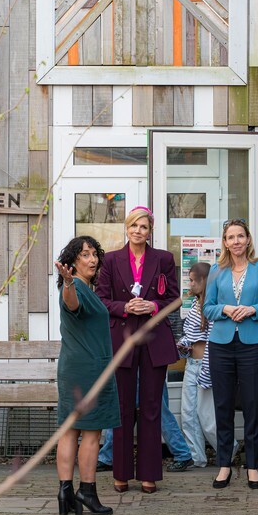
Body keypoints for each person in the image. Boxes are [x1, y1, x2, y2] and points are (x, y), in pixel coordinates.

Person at [95, 206, 180, 494]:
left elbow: (173, 298)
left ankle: (149, 474)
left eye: (143, 227)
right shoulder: (110, 260)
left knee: (152, 408)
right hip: (123, 340)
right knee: (121, 409)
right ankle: (121, 473)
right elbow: (101, 300)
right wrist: (125, 307)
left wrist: (153, 306)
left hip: (155, 339)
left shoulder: (164, 259)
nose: (138, 231)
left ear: (150, 231)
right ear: (126, 228)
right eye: (134, 226)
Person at [203, 219, 258, 489]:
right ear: (224, 242)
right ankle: (224, 464)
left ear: (248, 239)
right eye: (230, 237)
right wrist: (224, 309)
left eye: (240, 236)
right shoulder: (215, 271)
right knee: (222, 405)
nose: (235, 241)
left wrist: (253, 310)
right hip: (221, 344)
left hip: (252, 343)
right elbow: (207, 309)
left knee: (253, 405)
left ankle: (253, 466)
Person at [54, 236, 119, 515]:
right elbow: (71, 303)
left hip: (72, 369)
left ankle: (65, 492)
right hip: (89, 371)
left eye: (94, 254)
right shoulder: (75, 287)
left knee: (69, 432)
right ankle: (87, 491)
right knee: (91, 434)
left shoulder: (85, 287)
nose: (92, 259)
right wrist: (68, 282)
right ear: (72, 262)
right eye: (85, 255)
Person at [96, 385, 194, 473]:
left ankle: (182, 453)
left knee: (160, 414)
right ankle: (107, 457)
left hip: (148, 368)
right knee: (122, 412)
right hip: (135, 368)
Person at [177, 262, 213, 468]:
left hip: (207, 365)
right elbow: (190, 335)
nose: (190, 284)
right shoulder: (194, 305)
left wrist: (208, 368)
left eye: (192, 280)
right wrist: (183, 344)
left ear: (204, 281)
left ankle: (229, 449)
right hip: (191, 364)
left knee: (208, 418)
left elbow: (214, 339)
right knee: (188, 414)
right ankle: (197, 456)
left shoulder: (213, 306)